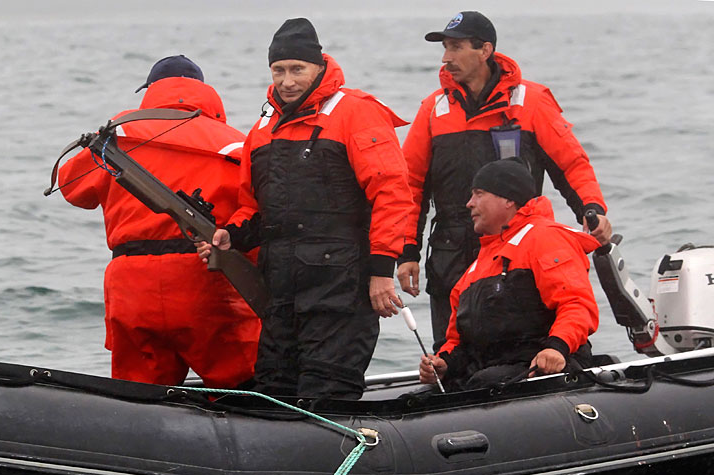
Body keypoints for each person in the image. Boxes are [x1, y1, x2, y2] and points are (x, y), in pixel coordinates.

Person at [197, 18, 411, 399]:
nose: (287, 81)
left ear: (319, 66)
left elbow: (392, 194)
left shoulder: (356, 112)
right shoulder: (262, 129)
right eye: (278, 70)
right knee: (273, 391)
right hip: (281, 295)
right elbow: (253, 207)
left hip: (341, 292)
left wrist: (382, 271)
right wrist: (232, 235)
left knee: (327, 392)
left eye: (297, 69)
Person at [398, 10, 610, 350]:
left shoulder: (531, 101)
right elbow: (410, 186)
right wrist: (407, 251)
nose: (445, 58)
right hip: (451, 251)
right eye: (445, 48)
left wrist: (591, 208)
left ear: (485, 50)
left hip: (518, 251)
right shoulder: (433, 109)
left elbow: (570, 164)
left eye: (455, 47)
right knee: (451, 350)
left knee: (520, 347)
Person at [57, 55, 260, 388]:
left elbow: (72, 188)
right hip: (206, 278)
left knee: (138, 396)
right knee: (242, 391)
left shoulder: (116, 136)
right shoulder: (237, 144)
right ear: (205, 92)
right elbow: (255, 214)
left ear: (150, 91)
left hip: (131, 286)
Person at [418, 158, 601, 390]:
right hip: (491, 370)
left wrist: (556, 348)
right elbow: (457, 338)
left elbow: (576, 304)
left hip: (542, 366)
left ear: (508, 200)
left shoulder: (545, 238)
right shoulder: (477, 265)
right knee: (420, 397)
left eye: (479, 194)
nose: (469, 204)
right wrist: (444, 362)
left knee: (485, 383)